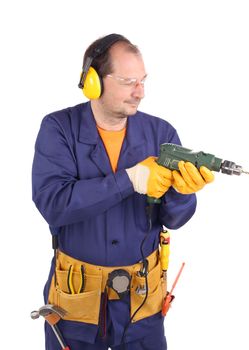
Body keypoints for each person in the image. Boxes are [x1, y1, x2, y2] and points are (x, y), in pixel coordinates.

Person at [32, 33, 214, 350]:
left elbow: (175, 218)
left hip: (143, 306)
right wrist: (129, 180)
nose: (140, 92)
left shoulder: (161, 133)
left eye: (143, 81)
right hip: (76, 308)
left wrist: (183, 193)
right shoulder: (59, 129)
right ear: (93, 81)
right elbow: (54, 203)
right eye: (129, 81)